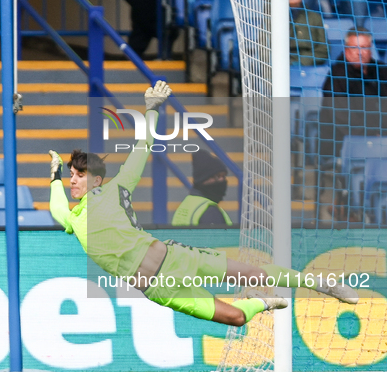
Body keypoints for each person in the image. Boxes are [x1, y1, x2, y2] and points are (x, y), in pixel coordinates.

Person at [49, 81, 358, 329]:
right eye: (71, 176)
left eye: (80, 174)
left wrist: (152, 109)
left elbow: (143, 146)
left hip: (174, 258)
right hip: (161, 288)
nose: (73, 180)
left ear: (98, 180)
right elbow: (57, 207)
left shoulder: (118, 187)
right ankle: (263, 303)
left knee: (251, 272)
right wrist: (54, 176)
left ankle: (322, 283)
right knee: (236, 318)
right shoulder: (74, 218)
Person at [318, 28, 387, 222]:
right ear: (346, 49)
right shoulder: (336, 77)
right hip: (345, 141)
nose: (360, 52)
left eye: (364, 47)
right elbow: (341, 117)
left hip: (380, 136)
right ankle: (351, 205)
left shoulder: (381, 71)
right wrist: (372, 134)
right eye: (355, 48)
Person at [172, 149, 232, 226]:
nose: (222, 180)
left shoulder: (186, 204)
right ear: (203, 179)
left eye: (223, 176)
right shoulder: (210, 212)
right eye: (217, 176)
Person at [290, 0, 329, 66]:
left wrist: (303, 61)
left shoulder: (315, 18)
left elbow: (323, 49)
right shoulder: (271, 18)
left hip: (309, 65)